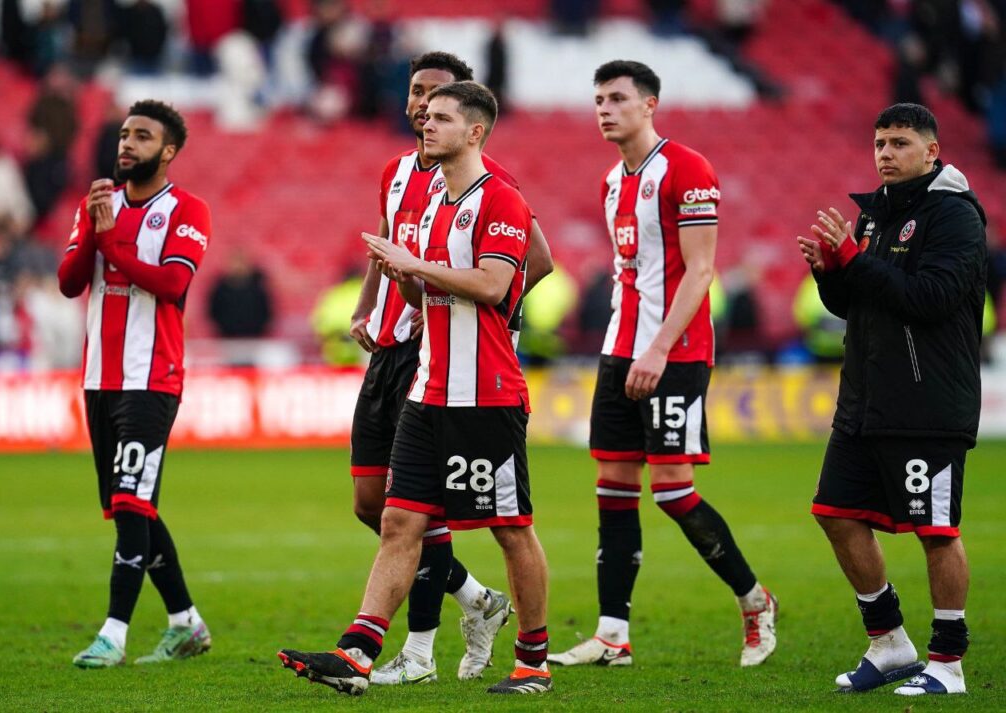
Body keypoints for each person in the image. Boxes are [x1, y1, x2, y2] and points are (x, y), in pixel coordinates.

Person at [278, 81, 552, 696]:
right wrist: (404, 273)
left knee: (510, 527)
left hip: (485, 394)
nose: (426, 125)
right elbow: (417, 298)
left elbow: (490, 284)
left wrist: (415, 265)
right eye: (425, 117)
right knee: (400, 521)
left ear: (475, 131)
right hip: (428, 391)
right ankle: (358, 652)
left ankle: (533, 661)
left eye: (442, 118)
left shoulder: (500, 201)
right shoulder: (430, 204)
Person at [548, 60, 777, 670]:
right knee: (613, 489)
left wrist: (657, 349)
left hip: (672, 352)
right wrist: (627, 349)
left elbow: (701, 271)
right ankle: (612, 635)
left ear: (649, 105)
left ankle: (755, 600)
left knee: (674, 491)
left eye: (618, 98)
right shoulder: (611, 182)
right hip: (618, 349)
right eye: (598, 99)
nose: (605, 109)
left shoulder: (688, 169)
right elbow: (634, 274)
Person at [797, 103, 987, 696]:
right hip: (865, 400)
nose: (884, 152)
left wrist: (856, 262)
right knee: (835, 513)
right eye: (879, 142)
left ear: (932, 152)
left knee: (936, 531)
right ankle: (889, 642)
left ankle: (948, 664)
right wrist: (833, 274)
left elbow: (930, 297)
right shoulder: (876, 217)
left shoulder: (955, 217)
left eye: (900, 142)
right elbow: (861, 306)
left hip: (927, 404)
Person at [57, 100, 212, 668]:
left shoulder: (186, 209)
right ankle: (186, 623)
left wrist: (113, 243)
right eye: (124, 134)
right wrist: (97, 233)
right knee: (135, 506)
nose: (127, 144)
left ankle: (113, 635)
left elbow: (172, 283)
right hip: (100, 378)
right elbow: (71, 283)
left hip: (153, 378)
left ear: (167, 151)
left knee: (130, 502)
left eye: (141, 136)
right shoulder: (97, 204)